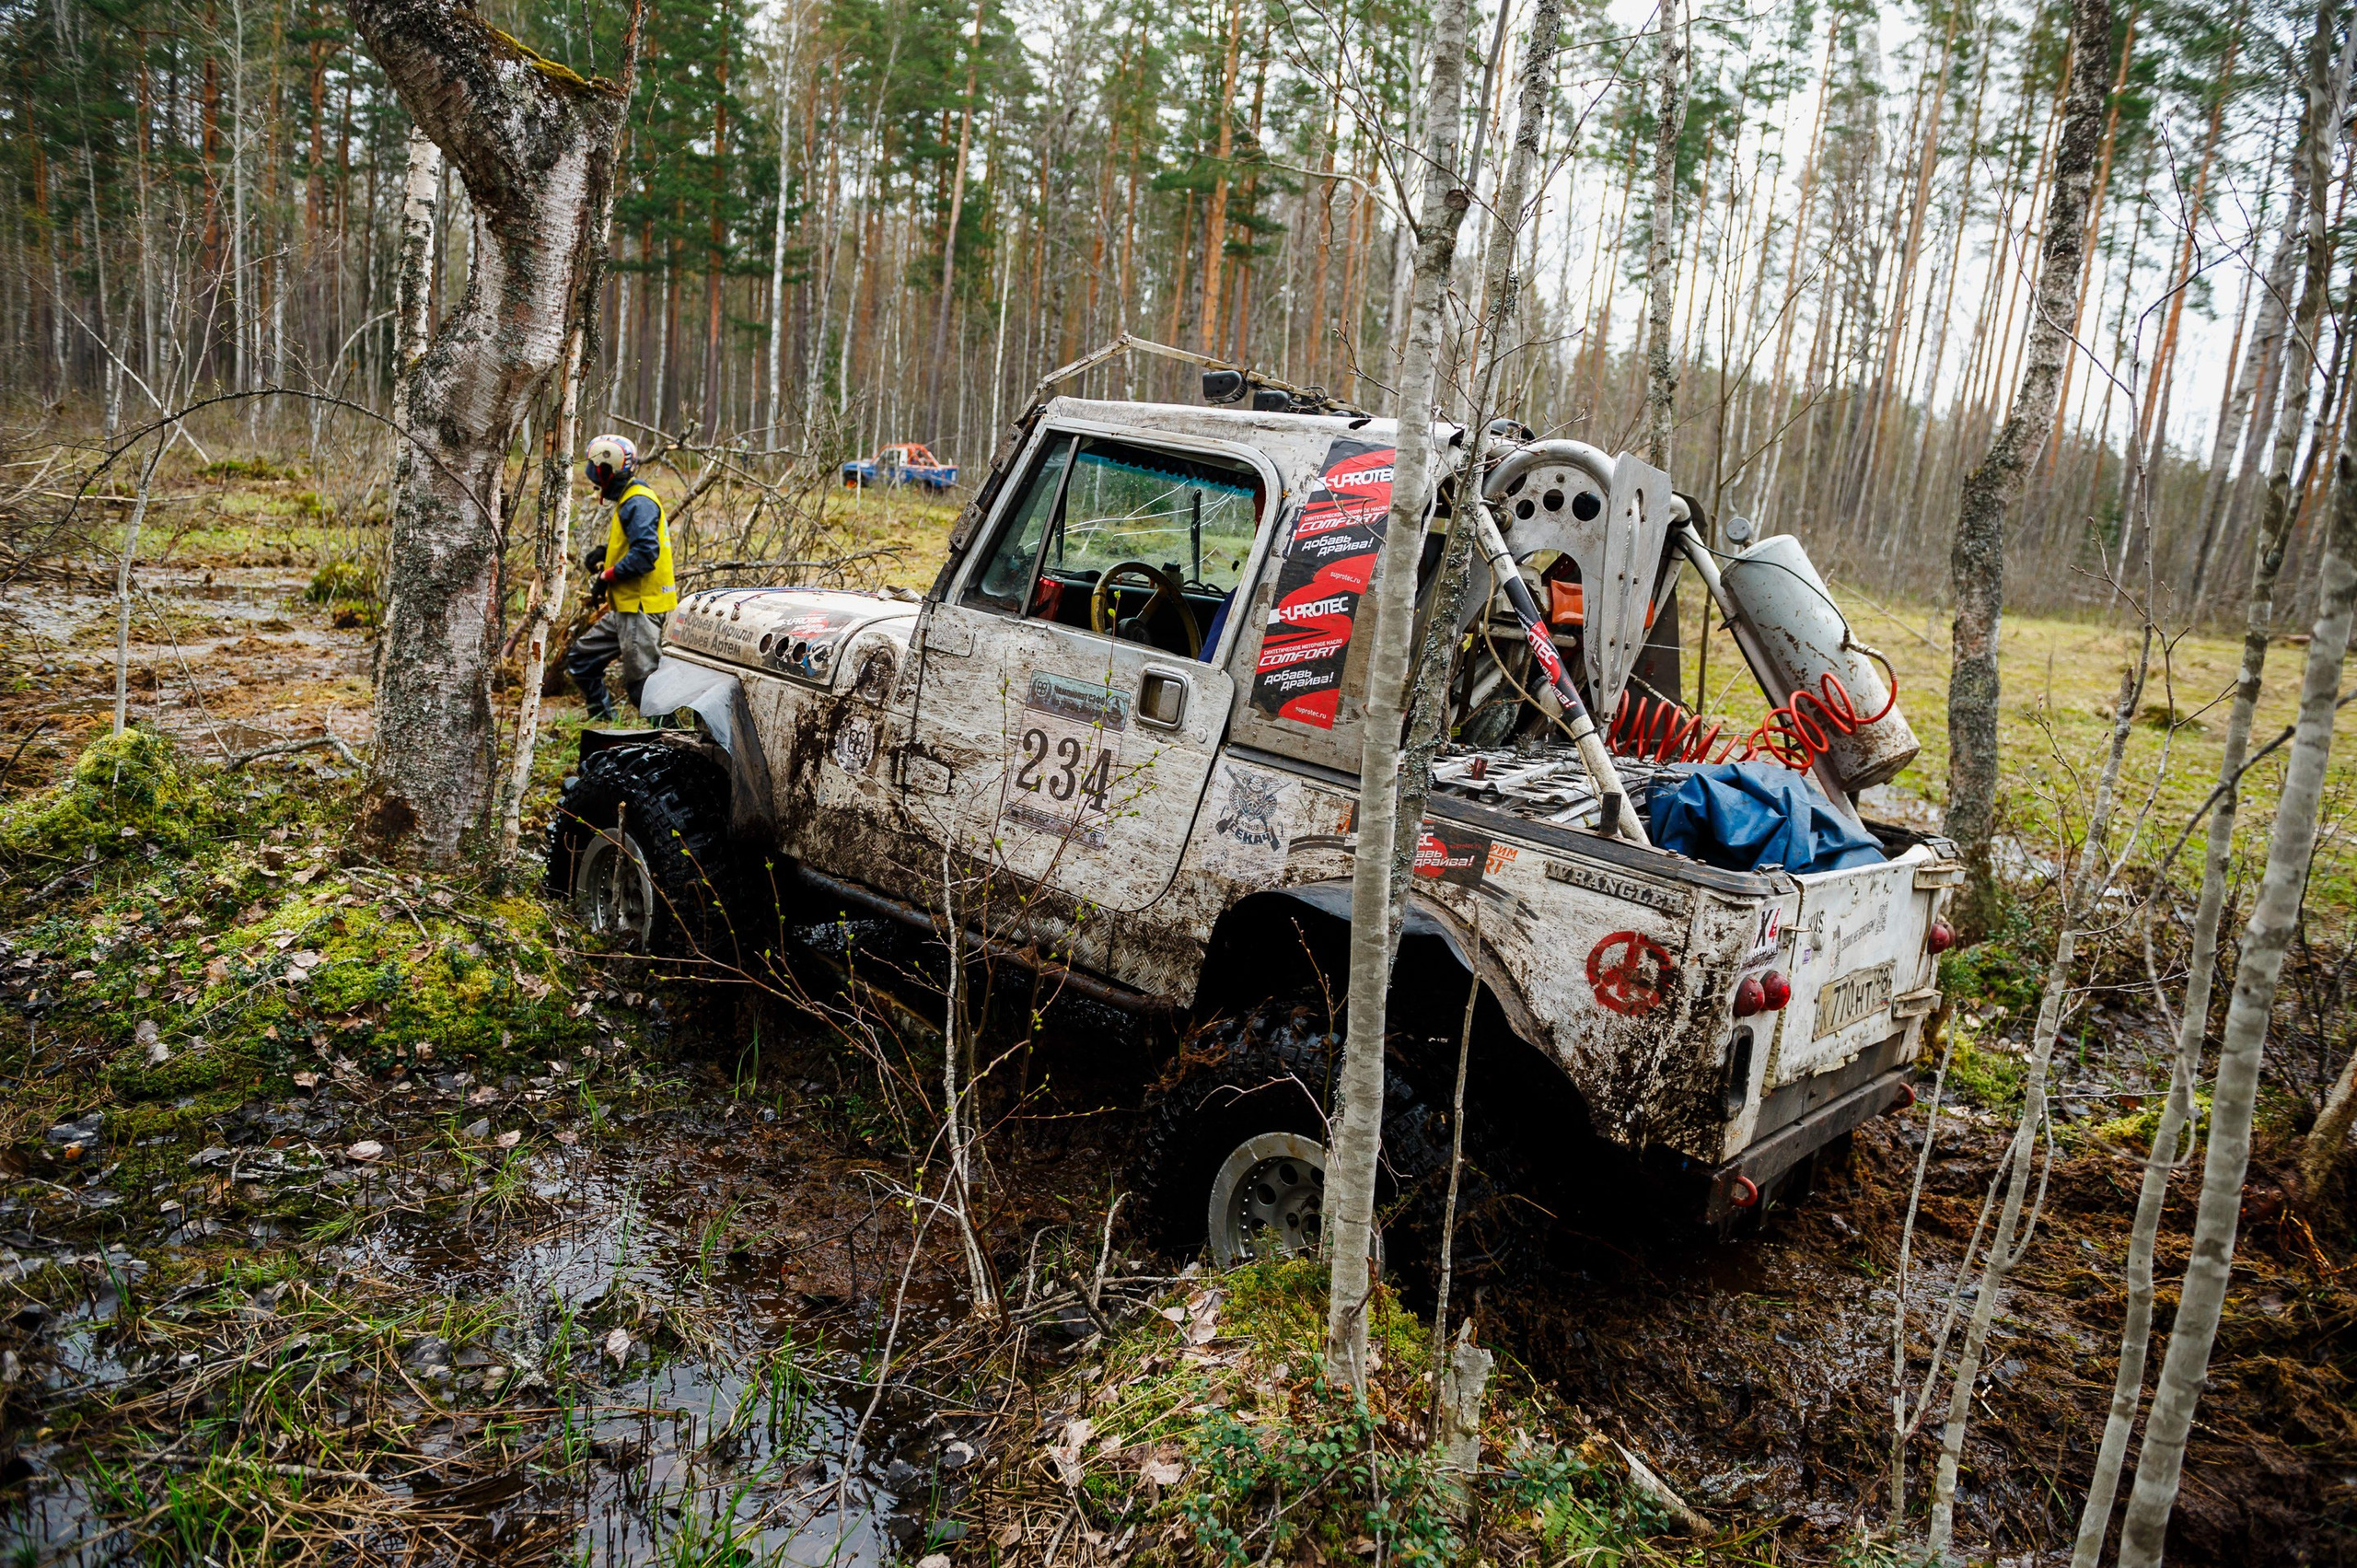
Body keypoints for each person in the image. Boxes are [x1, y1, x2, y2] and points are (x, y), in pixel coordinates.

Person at [565, 434, 677, 721]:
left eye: (595, 477)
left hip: (640, 608)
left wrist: (606, 576)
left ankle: (673, 744)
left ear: (606, 471)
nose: (594, 483)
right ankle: (604, 724)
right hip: (625, 606)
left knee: (644, 687)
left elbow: (645, 554)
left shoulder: (638, 502)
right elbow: (635, 543)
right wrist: (604, 552)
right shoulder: (630, 498)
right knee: (582, 660)